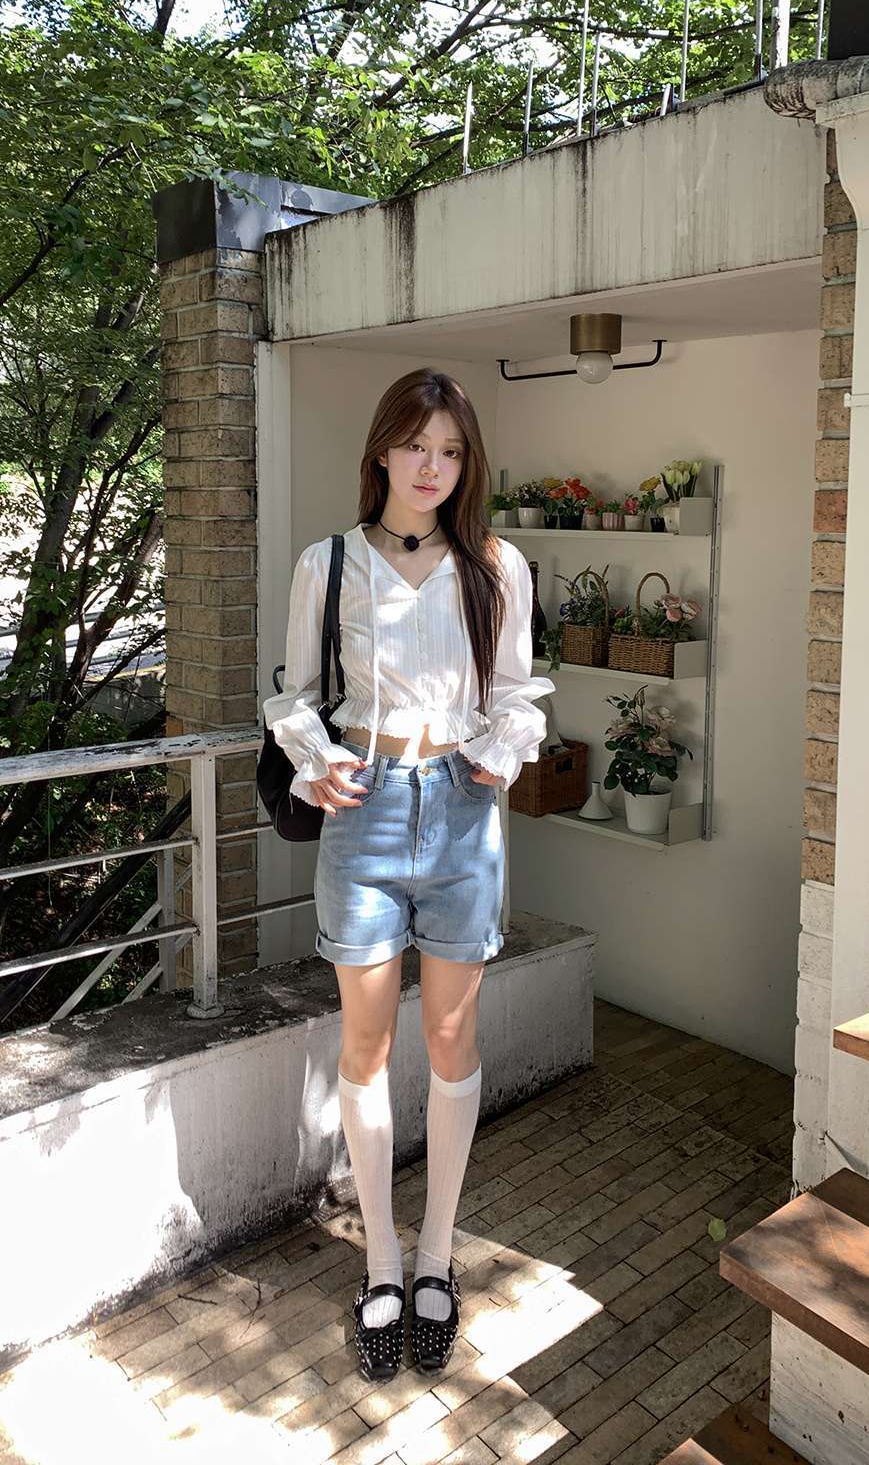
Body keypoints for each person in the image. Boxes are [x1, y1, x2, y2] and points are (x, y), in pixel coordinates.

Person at [262, 368, 555, 1382]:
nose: (432, 467)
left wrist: (503, 751)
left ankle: (437, 1255)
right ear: (382, 450)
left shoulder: (497, 566)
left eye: (451, 451)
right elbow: (293, 696)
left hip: (464, 808)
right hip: (366, 810)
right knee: (369, 1042)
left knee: (451, 1036)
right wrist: (317, 759)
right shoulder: (329, 563)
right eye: (417, 446)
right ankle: (381, 1262)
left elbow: (516, 693)